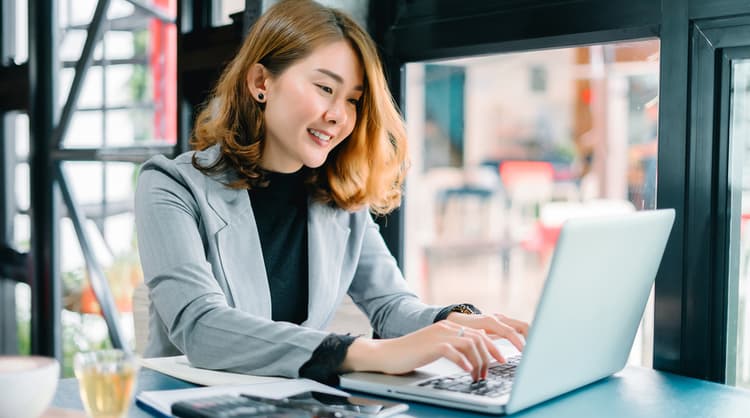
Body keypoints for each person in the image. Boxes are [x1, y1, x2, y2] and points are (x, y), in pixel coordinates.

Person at [135, 0, 528, 385]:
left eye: (353, 100)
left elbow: (390, 305)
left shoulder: (338, 195)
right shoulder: (171, 185)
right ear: (260, 83)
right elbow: (202, 328)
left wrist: (451, 322)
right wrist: (366, 353)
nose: (339, 115)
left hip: (290, 405)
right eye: (325, 88)